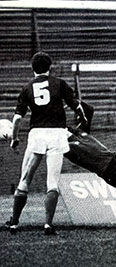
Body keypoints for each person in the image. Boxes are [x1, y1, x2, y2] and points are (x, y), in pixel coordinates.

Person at [6, 51, 87, 235]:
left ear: (32, 68)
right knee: (52, 182)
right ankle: (48, 224)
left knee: (25, 180)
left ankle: (14, 223)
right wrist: (82, 119)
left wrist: (15, 139)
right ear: (50, 67)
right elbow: (78, 107)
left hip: (37, 134)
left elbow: (17, 119)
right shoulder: (59, 83)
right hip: (57, 133)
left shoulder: (27, 87)